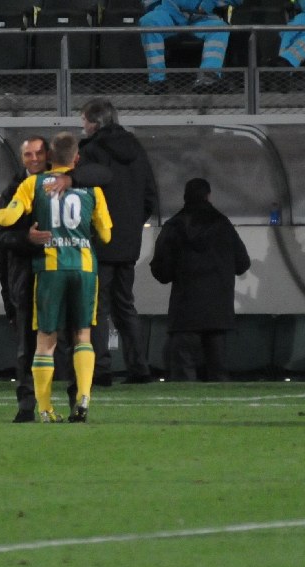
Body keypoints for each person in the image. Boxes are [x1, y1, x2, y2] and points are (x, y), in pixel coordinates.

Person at [0, 131, 112, 424]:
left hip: (48, 272)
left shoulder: (42, 183)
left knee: (55, 341)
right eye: (27, 155)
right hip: (43, 274)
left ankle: (60, 405)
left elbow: (102, 172)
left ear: (49, 156)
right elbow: (0, 236)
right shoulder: (21, 184)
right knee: (41, 343)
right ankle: (32, 406)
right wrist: (26, 238)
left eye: (38, 154)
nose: (33, 159)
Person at [79, 98, 157, 386]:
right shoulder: (136, 149)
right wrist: (129, 227)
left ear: (95, 122)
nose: (83, 127)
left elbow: (84, 196)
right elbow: (149, 195)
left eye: (85, 121)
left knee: (97, 307)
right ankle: (140, 368)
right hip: (128, 243)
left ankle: (100, 370)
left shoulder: (90, 151)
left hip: (98, 241)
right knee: (126, 306)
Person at [149, 178, 251, 381]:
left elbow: (161, 271)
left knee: (183, 371)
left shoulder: (174, 225)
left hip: (184, 312)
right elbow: (243, 264)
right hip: (218, 312)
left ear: (185, 196)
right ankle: (222, 411)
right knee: (218, 371)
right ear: (208, 196)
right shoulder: (223, 224)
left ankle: (185, 411)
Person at [139, 0, 243, 94]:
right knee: (149, 21)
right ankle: (157, 80)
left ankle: (209, 77)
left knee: (219, 28)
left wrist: (210, 3)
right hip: (168, 13)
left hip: (202, 17)